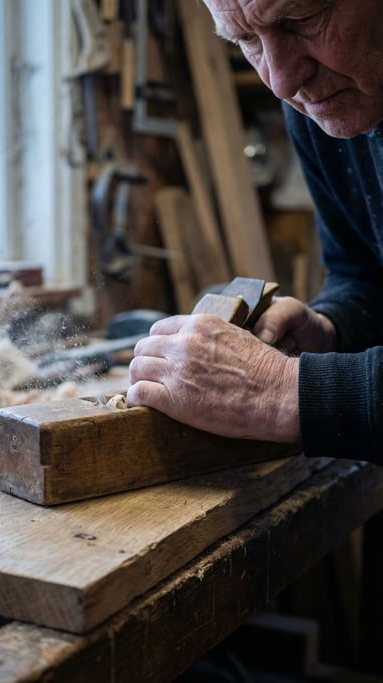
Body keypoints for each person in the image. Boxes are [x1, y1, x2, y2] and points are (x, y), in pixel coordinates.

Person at [126, 0, 383, 463]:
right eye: (246, 40)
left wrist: (286, 394)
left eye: (301, 20)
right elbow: (364, 272)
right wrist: (335, 329)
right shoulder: (325, 97)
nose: (282, 81)